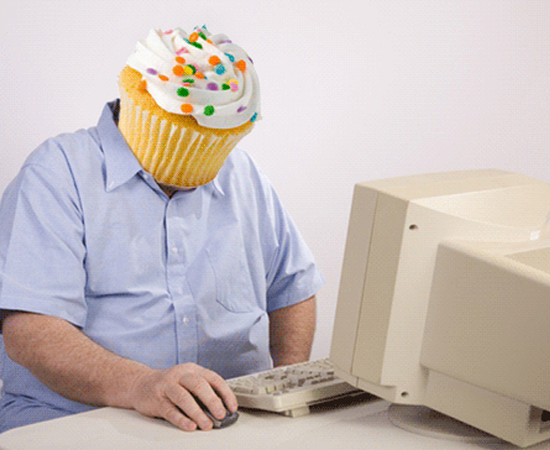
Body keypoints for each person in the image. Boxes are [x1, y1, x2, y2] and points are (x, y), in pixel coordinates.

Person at [0, 27, 324, 433]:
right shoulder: (57, 172)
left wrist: (285, 385)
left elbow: (293, 288)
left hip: (232, 424)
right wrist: (141, 384)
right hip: (73, 420)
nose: (199, 167)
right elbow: (31, 334)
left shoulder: (244, 175)